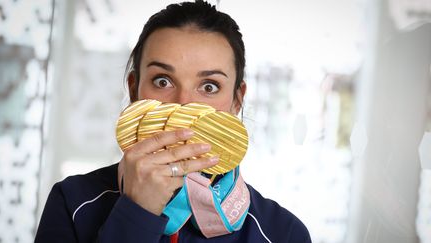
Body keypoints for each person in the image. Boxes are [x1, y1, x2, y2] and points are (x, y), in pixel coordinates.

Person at [35, 1, 311, 242]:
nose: (183, 105)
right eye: (163, 81)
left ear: (236, 101)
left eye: (209, 87)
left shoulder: (284, 233)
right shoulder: (72, 202)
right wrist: (136, 212)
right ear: (134, 90)